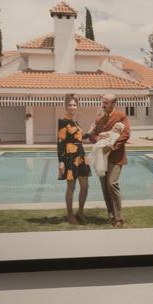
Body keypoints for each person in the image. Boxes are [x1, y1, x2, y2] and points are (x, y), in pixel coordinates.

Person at [86, 93, 131, 227]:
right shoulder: (99, 119)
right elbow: (92, 135)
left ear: (113, 103)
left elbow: (125, 134)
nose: (103, 105)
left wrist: (112, 147)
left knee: (111, 183)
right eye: (103, 102)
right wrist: (96, 140)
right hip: (101, 158)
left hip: (116, 157)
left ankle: (119, 218)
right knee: (105, 187)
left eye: (105, 102)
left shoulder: (121, 117)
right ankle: (111, 215)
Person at [56, 94, 90, 225]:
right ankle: (70, 214)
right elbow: (60, 142)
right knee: (71, 187)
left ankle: (80, 212)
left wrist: (92, 132)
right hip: (70, 157)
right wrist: (60, 161)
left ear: (77, 106)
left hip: (81, 156)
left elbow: (79, 138)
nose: (72, 107)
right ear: (66, 106)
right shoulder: (63, 121)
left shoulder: (76, 122)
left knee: (85, 186)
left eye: (74, 105)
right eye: (69, 105)